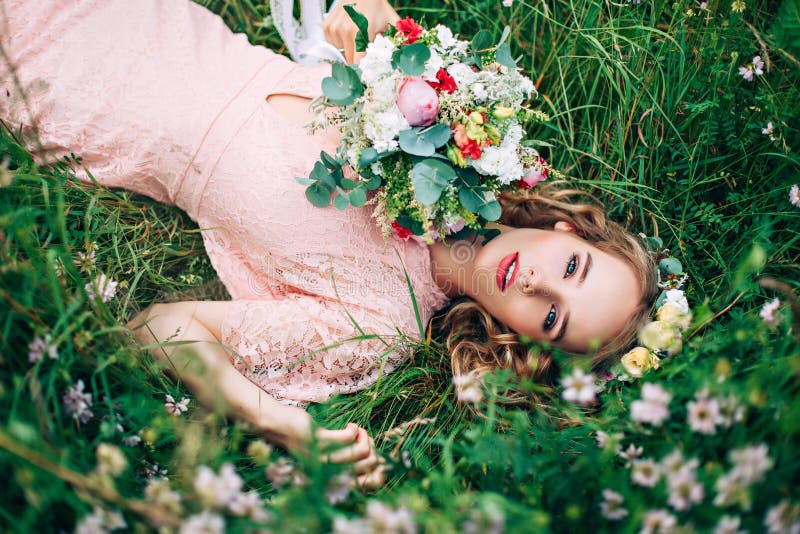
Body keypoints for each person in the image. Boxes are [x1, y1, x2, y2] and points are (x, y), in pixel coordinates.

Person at [0, 0, 657, 488]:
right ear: (564, 231)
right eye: (570, 267)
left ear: (524, 342)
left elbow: (161, 329)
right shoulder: (458, 124)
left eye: (551, 316)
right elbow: (344, 30)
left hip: (83, 95)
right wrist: (365, 22)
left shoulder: (379, 323)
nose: (537, 284)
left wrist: (279, 423)